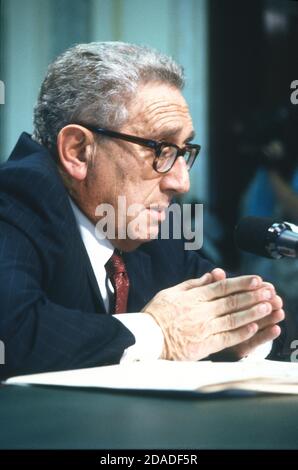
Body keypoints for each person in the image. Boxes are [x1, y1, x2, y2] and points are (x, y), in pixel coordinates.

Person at [0, 42, 284, 379]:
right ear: (78, 152)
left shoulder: (152, 230)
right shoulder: (17, 197)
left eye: (183, 152)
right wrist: (157, 333)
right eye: (162, 149)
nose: (181, 183)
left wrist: (240, 335)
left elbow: (248, 317)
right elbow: (13, 332)